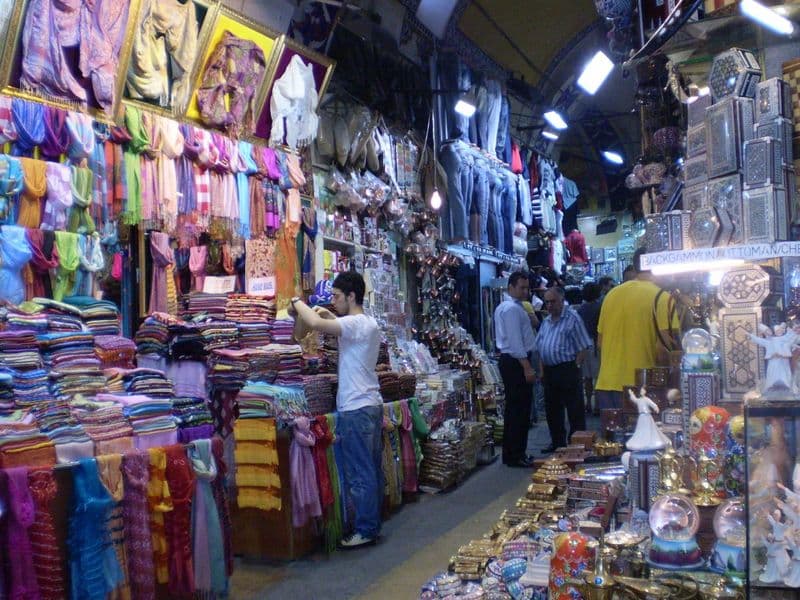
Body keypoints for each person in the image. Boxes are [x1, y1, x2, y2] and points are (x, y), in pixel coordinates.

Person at [289, 272, 383, 548]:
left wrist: (296, 301)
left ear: (352, 296)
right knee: (371, 470)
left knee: (360, 472)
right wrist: (313, 314)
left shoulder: (354, 323)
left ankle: (366, 529)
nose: (334, 301)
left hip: (356, 407)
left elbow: (316, 322)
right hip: (369, 404)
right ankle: (371, 524)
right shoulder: (366, 323)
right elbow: (309, 328)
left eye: (337, 296)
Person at [595, 248, 677, 410]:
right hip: (641, 390)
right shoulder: (662, 298)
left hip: (607, 385)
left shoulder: (611, 295)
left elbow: (600, 343)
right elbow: (663, 350)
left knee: (611, 436)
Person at [538, 286, 593, 452]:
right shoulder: (546, 321)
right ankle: (557, 442)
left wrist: (575, 365)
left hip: (567, 368)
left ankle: (577, 443)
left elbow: (584, 346)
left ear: (562, 300)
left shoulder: (572, 319)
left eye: (552, 301)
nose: (549, 305)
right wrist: (542, 370)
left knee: (574, 408)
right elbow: (541, 346)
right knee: (552, 409)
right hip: (550, 370)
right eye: (546, 302)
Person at [494, 271, 537, 467]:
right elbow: (515, 340)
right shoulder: (511, 309)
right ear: (510, 287)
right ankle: (515, 454)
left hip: (514, 360)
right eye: (521, 287)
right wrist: (527, 366)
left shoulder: (512, 307)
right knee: (519, 410)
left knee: (517, 409)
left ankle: (515, 453)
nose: (525, 291)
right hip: (516, 362)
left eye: (527, 288)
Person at [576, 282, 602, 414]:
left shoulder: (580, 309)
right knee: (598, 376)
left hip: (583, 344)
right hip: (597, 342)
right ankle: (597, 404)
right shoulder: (600, 307)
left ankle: (588, 403)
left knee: (587, 377)